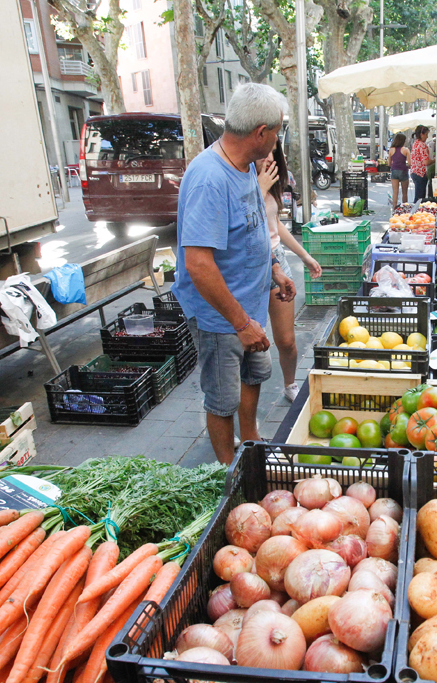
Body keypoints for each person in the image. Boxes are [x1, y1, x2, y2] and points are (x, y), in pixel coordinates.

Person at [173, 83, 296, 464]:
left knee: (254, 375)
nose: (278, 139)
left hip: (251, 304)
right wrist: (241, 323)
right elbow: (198, 263)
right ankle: (228, 470)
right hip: (222, 318)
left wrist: (274, 268)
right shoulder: (209, 178)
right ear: (261, 133)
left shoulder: (243, 167)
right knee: (222, 397)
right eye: (277, 131)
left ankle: (252, 441)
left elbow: (251, 227)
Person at [258, 140, 323, 400]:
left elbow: (275, 224)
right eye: (266, 150)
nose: (271, 157)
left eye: (275, 151)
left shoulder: (269, 179)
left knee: (286, 339)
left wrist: (304, 255)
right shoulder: (241, 179)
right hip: (251, 265)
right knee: (252, 346)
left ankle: (290, 385)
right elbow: (244, 225)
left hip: (277, 261)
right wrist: (258, 190)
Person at [410, 125, 432, 202]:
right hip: (420, 173)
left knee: (418, 196)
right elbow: (426, 162)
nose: (427, 137)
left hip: (414, 172)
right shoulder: (422, 145)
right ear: (422, 134)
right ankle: (417, 212)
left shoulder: (415, 143)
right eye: (426, 135)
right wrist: (436, 159)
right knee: (419, 199)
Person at [389, 132, 410, 208]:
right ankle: (405, 208)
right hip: (403, 171)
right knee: (405, 192)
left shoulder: (391, 150)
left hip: (394, 171)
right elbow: (409, 163)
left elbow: (389, 163)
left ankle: (394, 208)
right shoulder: (406, 150)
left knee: (395, 192)